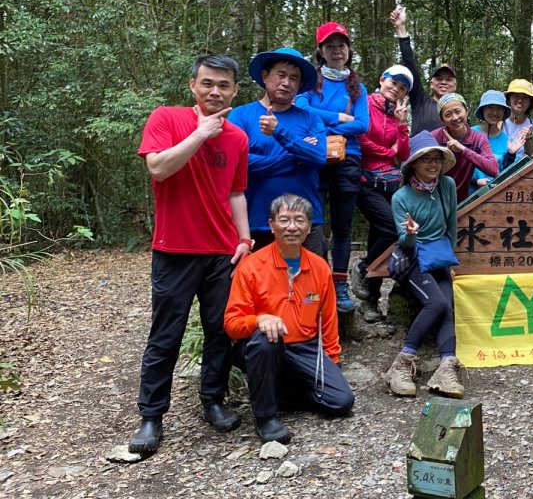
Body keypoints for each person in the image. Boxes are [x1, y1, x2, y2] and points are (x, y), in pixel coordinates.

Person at [130, 54, 251, 453]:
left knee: (220, 331)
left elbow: (236, 192)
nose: (215, 91)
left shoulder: (237, 138)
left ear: (235, 90)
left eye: (223, 85)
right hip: (175, 249)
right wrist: (200, 134)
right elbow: (159, 168)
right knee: (166, 334)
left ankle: (212, 399)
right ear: (192, 86)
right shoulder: (166, 118)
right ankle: (151, 416)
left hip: (222, 252)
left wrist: (245, 240)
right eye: (208, 84)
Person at [224, 194, 355, 443]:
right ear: (272, 225)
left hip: (306, 348)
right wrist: (259, 320)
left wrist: (333, 362)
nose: (292, 227)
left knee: (341, 401)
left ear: (309, 227)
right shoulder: (251, 266)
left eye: (299, 220)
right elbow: (232, 323)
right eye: (284, 220)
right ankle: (265, 417)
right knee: (266, 340)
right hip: (263, 346)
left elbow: (328, 321)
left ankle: (276, 392)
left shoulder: (318, 267)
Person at [294, 22, 370, 313]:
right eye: (330, 46)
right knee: (313, 224)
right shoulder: (310, 82)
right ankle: (315, 282)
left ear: (349, 50)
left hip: (347, 160)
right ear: (321, 51)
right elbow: (301, 109)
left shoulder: (357, 87)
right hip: (314, 157)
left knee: (342, 227)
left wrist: (321, 121)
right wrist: (339, 116)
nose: (336, 50)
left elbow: (363, 125)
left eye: (341, 45)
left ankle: (339, 285)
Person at [385, 132, 465, 398]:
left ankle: (446, 368)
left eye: (437, 159)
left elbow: (451, 226)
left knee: (447, 307)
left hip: (439, 255)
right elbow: (404, 244)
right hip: (413, 257)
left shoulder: (447, 185)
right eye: (426, 159)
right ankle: (402, 363)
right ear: (413, 165)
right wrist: (410, 233)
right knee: (437, 303)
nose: (433, 165)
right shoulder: (401, 198)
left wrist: (449, 258)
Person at [228, 48, 328, 258]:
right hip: (257, 221)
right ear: (265, 76)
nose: (286, 82)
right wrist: (298, 155)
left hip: (306, 223)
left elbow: (318, 158)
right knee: (260, 289)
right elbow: (237, 164)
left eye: (294, 78)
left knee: (311, 289)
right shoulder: (241, 116)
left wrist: (279, 132)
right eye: (280, 75)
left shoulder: (311, 120)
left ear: (300, 85)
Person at [348, 65, 414, 323]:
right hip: (365, 179)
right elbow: (361, 139)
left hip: (390, 183)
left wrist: (402, 125)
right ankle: (362, 268)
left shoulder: (397, 113)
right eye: (393, 82)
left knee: (381, 236)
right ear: (381, 80)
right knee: (391, 229)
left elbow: (405, 154)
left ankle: (370, 302)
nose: (396, 89)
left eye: (402, 87)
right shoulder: (363, 103)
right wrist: (389, 152)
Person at [390, 5, 456, 134]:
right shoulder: (421, 101)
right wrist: (401, 27)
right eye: (439, 78)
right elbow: (409, 63)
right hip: (419, 153)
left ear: (455, 85)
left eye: (448, 79)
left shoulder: (459, 112)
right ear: (431, 83)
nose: (443, 82)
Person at [430, 93, 499, 201]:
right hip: (434, 199)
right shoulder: (434, 138)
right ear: (442, 119)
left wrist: (463, 149)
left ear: (466, 111)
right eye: (448, 115)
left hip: (461, 200)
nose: (455, 117)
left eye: (458, 111)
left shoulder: (478, 139)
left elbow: (493, 169)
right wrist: (444, 157)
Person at [470, 90, 528, 194]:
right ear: (482, 110)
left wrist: (511, 154)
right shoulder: (470, 134)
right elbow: (458, 166)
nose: (495, 112)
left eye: (499, 108)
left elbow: (507, 173)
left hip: (495, 197)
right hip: (468, 196)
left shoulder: (507, 140)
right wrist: (475, 181)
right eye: (490, 107)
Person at [503, 79, 533, 160]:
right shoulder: (496, 125)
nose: (520, 100)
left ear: (530, 102)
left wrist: (529, 140)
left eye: (524, 97)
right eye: (516, 96)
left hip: (526, 172)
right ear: (509, 99)